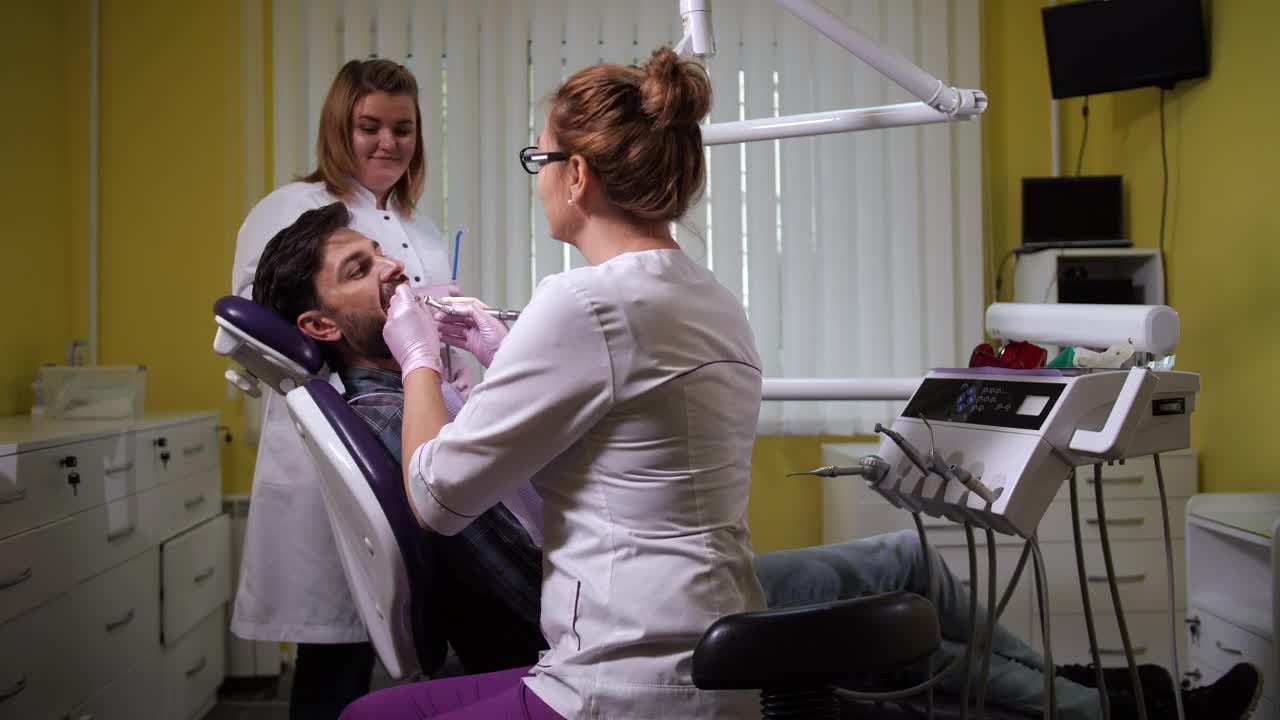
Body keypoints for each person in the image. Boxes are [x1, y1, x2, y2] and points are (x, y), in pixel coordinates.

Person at [251, 203, 1261, 720]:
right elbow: (462, 507)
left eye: (379, 253)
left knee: (906, 588)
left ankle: (1091, 693)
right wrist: (440, 355)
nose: (392, 270)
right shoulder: (393, 407)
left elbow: (544, 446)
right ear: (316, 323)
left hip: (618, 583)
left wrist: (481, 346)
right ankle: (1109, 704)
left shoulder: (433, 382)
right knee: (896, 591)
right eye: (359, 270)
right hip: (608, 617)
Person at [229, 58, 474, 720]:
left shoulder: (421, 228)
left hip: (416, 438)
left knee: (411, 636)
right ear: (340, 126)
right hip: (333, 450)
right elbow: (246, 332)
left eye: (403, 129)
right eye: (369, 127)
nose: (388, 144)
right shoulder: (291, 210)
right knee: (336, 654)